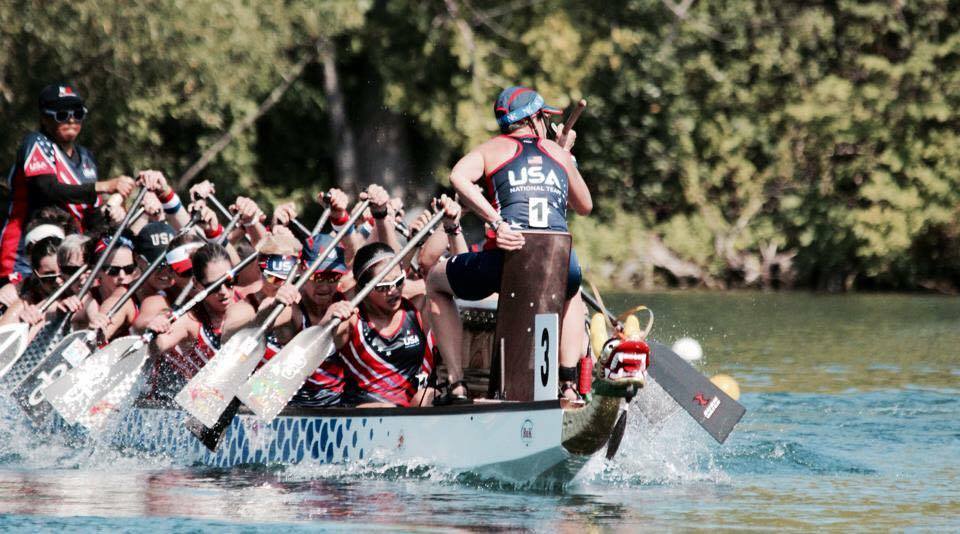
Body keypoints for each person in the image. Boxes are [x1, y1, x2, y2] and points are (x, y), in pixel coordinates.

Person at [425, 86, 592, 402]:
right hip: (558, 261)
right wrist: (567, 159)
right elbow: (584, 205)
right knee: (573, 287)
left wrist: (496, 222)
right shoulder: (559, 154)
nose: (543, 123)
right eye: (542, 117)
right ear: (533, 119)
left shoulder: (490, 150)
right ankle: (568, 384)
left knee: (434, 281)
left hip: (507, 258)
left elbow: (458, 176)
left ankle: (457, 386)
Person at [0, 84, 135, 283]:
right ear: (45, 118)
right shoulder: (36, 142)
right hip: (23, 253)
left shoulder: (86, 158)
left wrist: (111, 215)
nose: (71, 120)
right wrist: (104, 186)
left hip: (67, 256)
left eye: (78, 114)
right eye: (62, 114)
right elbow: (47, 188)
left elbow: (88, 212)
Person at [324, 242, 438, 408]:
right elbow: (319, 344)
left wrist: (452, 226)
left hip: (410, 408)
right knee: (387, 410)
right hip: (363, 411)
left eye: (399, 282)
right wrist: (328, 320)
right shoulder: (351, 320)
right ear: (363, 288)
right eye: (383, 287)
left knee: (431, 396)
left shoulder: (416, 308)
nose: (393, 291)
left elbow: (449, 284)